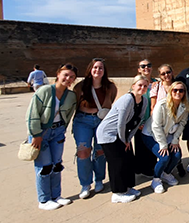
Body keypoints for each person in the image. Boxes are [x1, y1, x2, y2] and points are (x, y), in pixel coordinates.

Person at [26, 63, 78, 210]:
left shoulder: (70, 96)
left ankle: (56, 196)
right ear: (58, 74)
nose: (68, 79)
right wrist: (36, 135)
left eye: (72, 77)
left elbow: (68, 115)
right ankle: (43, 200)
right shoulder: (44, 91)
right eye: (66, 75)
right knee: (44, 167)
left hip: (58, 132)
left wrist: (62, 130)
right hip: (41, 133)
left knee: (56, 165)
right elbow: (32, 114)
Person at [96, 75, 149, 203]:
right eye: (140, 85)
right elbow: (120, 123)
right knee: (117, 163)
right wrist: (123, 140)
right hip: (108, 134)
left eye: (145, 86)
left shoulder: (144, 101)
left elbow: (137, 122)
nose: (142, 88)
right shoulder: (127, 99)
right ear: (133, 86)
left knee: (129, 159)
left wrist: (128, 139)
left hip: (123, 135)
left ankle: (128, 187)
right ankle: (117, 193)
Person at [73, 58, 118, 199]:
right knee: (83, 151)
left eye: (100, 68)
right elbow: (74, 104)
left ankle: (99, 179)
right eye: (95, 68)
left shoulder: (110, 87)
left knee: (100, 151)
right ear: (90, 69)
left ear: (104, 71)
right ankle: (85, 184)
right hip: (83, 121)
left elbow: (110, 103)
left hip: (102, 121)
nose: (97, 70)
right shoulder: (80, 87)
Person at [144, 81, 189, 193]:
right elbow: (156, 126)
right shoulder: (162, 105)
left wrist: (175, 140)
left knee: (177, 155)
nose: (178, 92)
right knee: (164, 157)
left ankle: (166, 173)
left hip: (168, 135)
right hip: (151, 134)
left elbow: (182, 124)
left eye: (181, 90)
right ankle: (156, 179)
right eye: (175, 90)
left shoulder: (184, 106)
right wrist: (163, 145)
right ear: (170, 91)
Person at [134, 59, 158, 178]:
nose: (146, 68)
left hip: (153, 120)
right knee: (140, 145)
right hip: (140, 121)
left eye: (148, 65)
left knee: (151, 145)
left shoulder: (156, 83)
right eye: (143, 66)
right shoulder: (137, 83)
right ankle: (140, 169)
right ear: (139, 69)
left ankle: (150, 168)